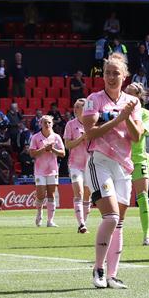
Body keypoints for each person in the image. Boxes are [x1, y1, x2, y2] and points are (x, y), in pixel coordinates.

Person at [81, 53, 144, 290]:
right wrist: (119, 119)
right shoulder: (93, 100)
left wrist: (126, 117)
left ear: (125, 76)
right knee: (111, 216)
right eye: (107, 72)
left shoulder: (132, 102)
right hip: (101, 162)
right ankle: (98, 269)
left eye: (116, 72)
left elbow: (137, 137)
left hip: (123, 166)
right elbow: (91, 133)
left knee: (119, 223)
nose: (110, 76)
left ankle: (113, 275)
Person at [125, 83, 149, 246]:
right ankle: (116, 233)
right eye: (126, 93)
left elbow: (138, 135)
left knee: (143, 196)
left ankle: (146, 235)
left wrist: (126, 117)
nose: (128, 97)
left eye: (132, 94)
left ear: (139, 96)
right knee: (119, 199)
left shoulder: (145, 114)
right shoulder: (118, 113)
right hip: (120, 158)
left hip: (138, 158)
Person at [29, 115, 65, 228]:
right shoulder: (35, 137)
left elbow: (63, 153)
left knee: (51, 195)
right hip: (40, 170)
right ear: (41, 124)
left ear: (52, 124)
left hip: (52, 169)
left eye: (49, 122)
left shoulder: (56, 137)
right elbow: (32, 153)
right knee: (40, 194)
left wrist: (52, 149)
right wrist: (44, 149)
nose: (47, 124)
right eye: (45, 122)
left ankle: (50, 221)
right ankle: (39, 213)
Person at [64, 99, 93, 234]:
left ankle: (84, 222)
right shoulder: (70, 124)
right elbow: (68, 145)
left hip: (90, 164)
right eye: (75, 107)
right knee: (79, 193)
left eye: (78, 107)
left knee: (87, 195)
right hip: (75, 164)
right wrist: (81, 139)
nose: (75, 109)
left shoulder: (92, 123)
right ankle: (81, 224)